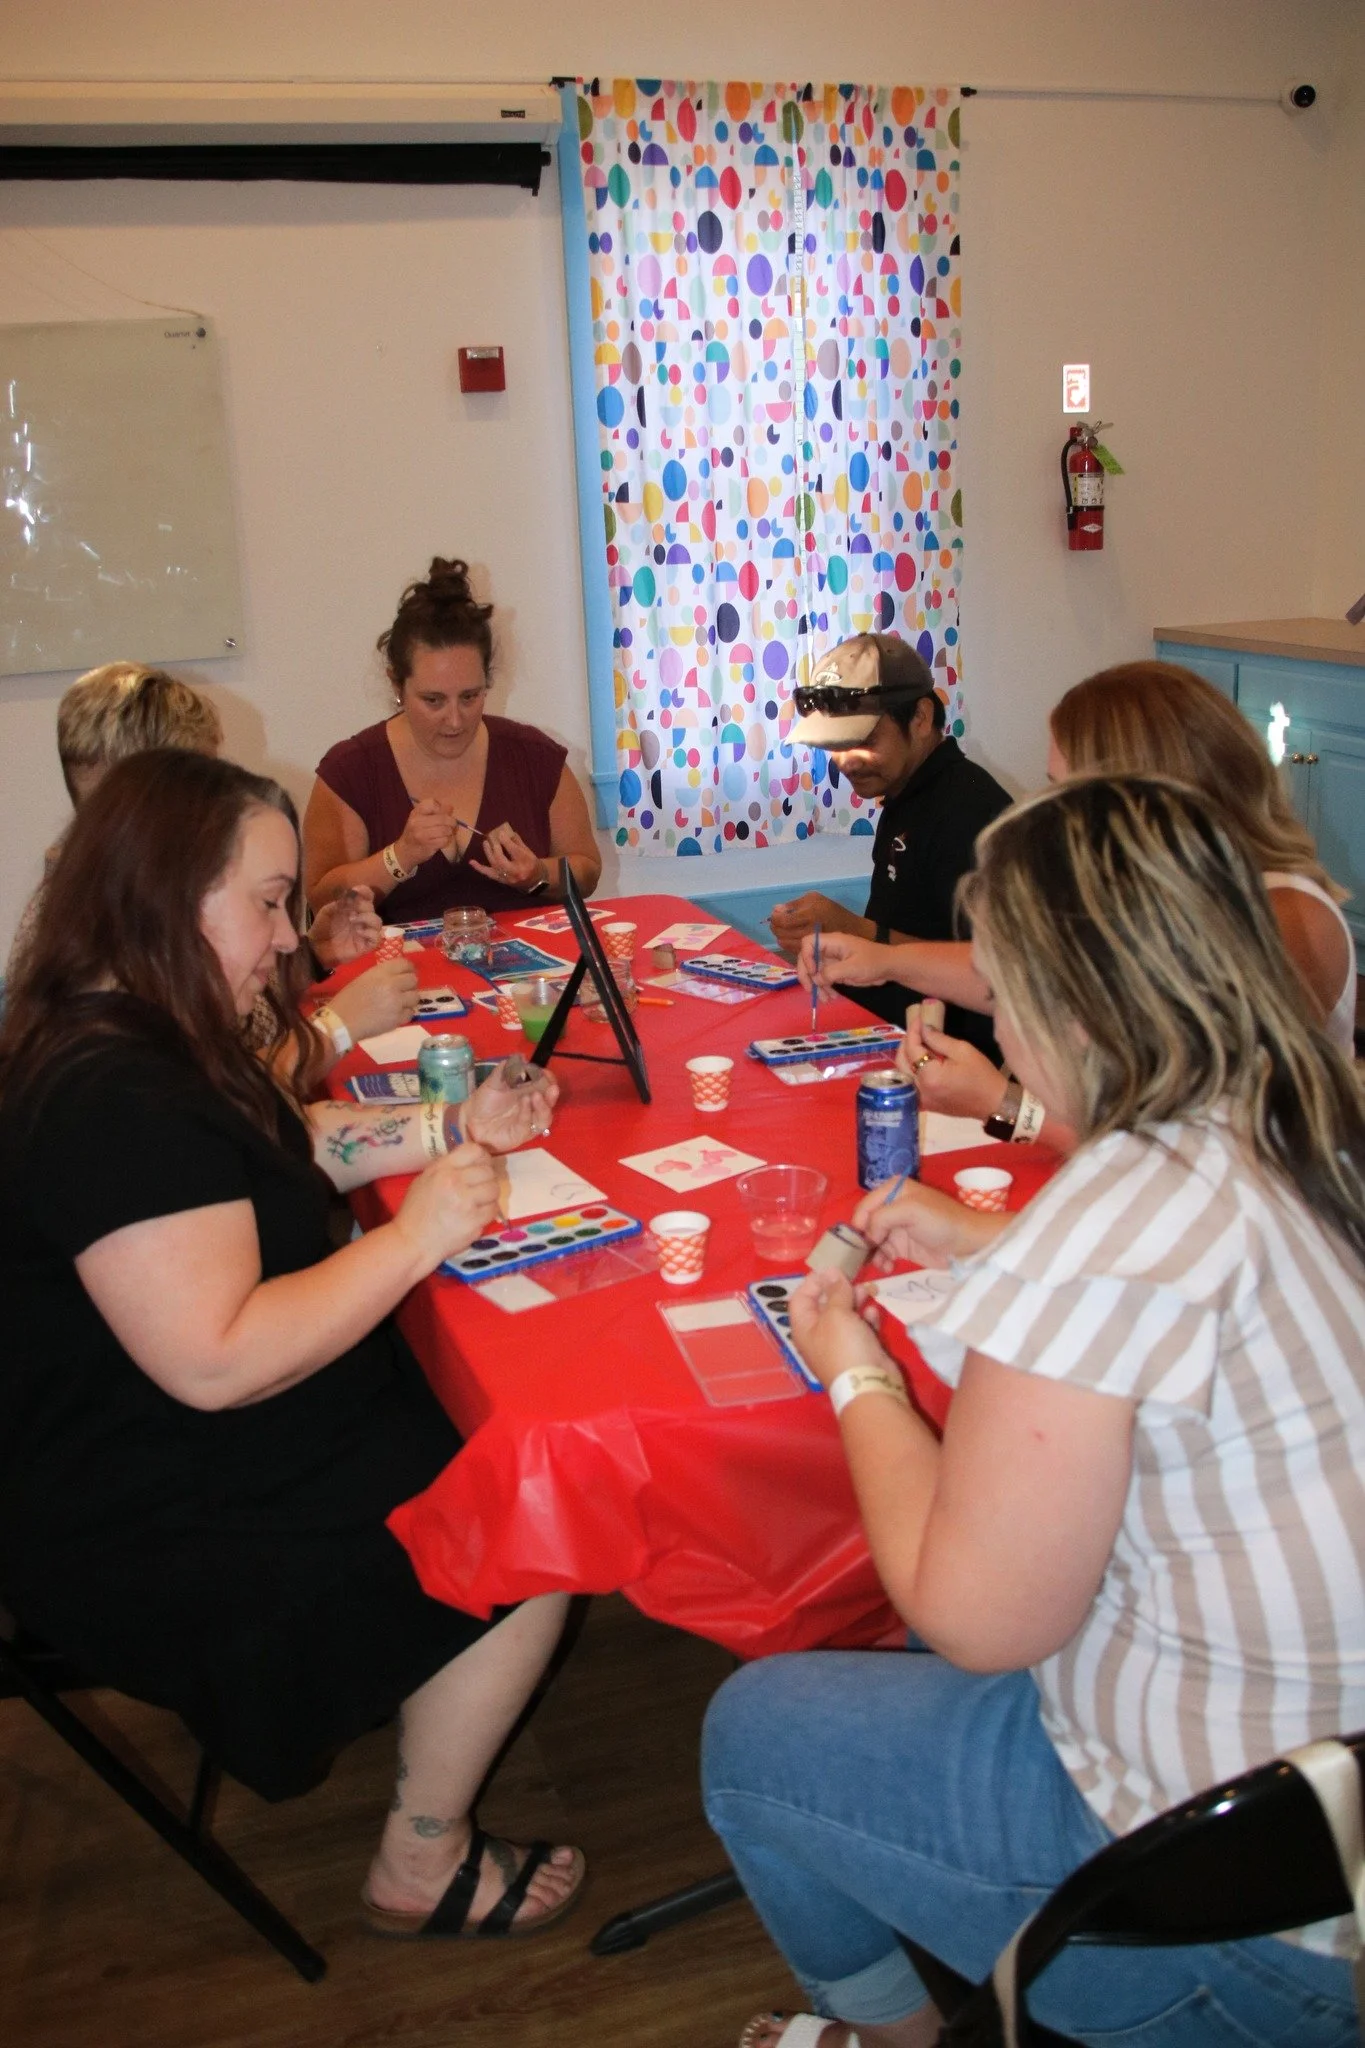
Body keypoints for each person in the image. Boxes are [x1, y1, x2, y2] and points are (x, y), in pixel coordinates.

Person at [703, 774, 1365, 2048]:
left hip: (1227, 1915)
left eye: (1005, 998)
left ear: (1078, 998)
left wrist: (855, 1367)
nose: (1000, 1032)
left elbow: (969, 1615)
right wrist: (999, 1249)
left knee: (755, 1728)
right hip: (1324, 1810)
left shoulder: (1117, 1211)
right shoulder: (1304, 1121)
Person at [0, 750, 585, 1939]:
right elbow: (215, 1358)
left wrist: (445, 1123)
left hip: (142, 1430)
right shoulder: (110, 1092)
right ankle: (425, 1857)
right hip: (136, 1507)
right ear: (168, 895)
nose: (285, 938)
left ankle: (416, 1706)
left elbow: (290, 1141)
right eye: (266, 902)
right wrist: (417, 1235)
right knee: (529, 1497)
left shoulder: (138, 1020)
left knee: (470, 1408)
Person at [802, 659, 1360, 1140]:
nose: (1051, 812)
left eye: (1071, 792)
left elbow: (1179, 1152)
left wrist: (1003, 1102)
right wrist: (883, 959)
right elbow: (1035, 974)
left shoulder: (1287, 919)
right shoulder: (1158, 894)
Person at [4, 659, 418, 1058]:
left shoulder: (111, 885)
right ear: (149, 794)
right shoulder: (113, 931)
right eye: (205, 782)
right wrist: (336, 1029)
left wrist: (309, 955)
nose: (220, 801)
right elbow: (222, 1099)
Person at [304, 556, 602, 920]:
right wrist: (399, 857)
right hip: (398, 974)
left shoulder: (535, 758)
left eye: (470, 696)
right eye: (433, 700)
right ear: (397, 684)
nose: (455, 719)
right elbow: (322, 898)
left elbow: (587, 872)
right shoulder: (350, 772)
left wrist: (538, 875)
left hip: (526, 975)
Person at [768, 635, 1010, 1053]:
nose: (844, 761)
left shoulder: (970, 815)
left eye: (862, 740)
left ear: (920, 716)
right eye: (833, 746)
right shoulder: (907, 793)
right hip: (879, 1027)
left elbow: (999, 977)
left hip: (942, 1057)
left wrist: (853, 930)